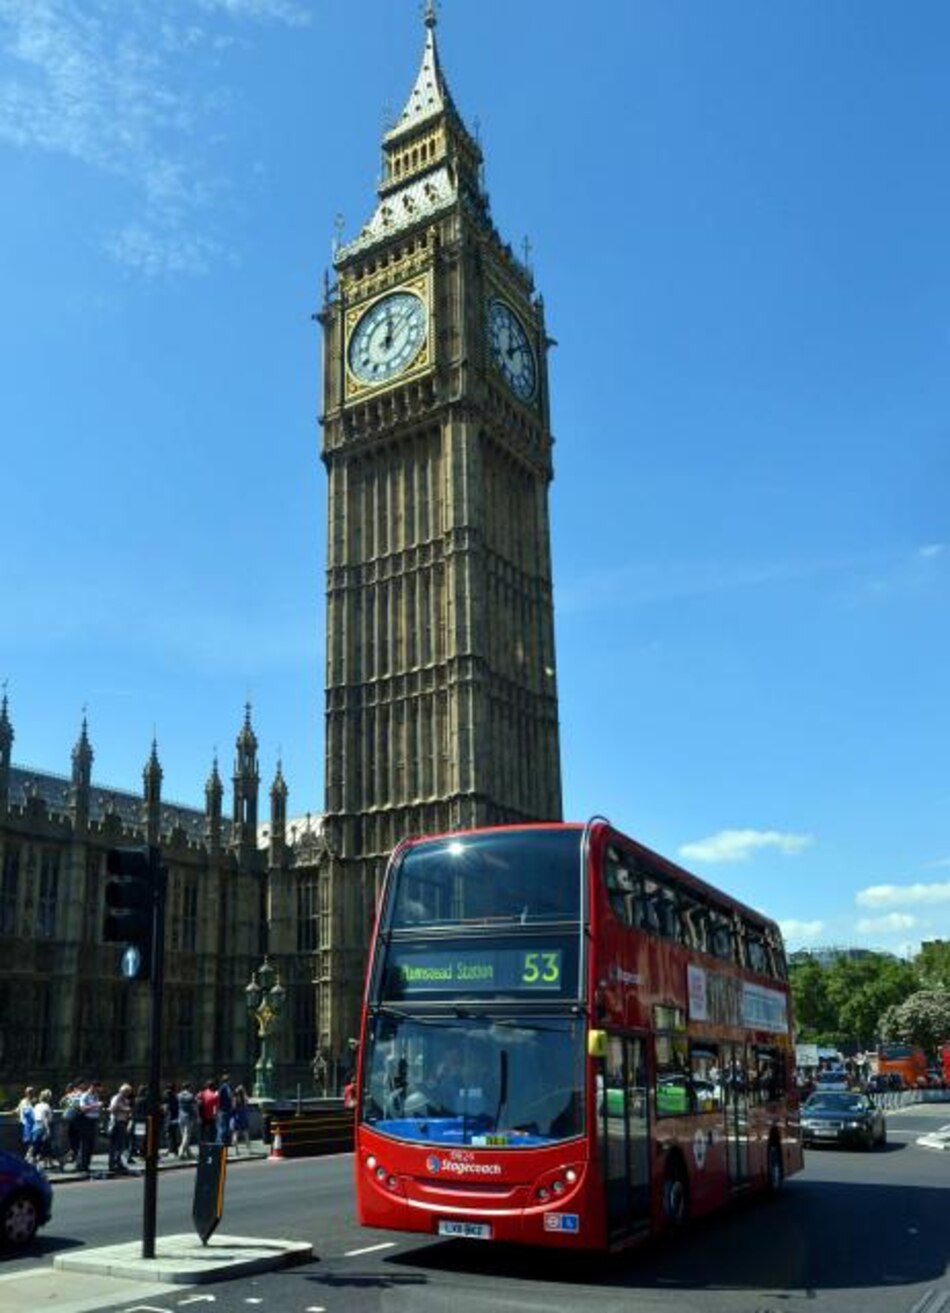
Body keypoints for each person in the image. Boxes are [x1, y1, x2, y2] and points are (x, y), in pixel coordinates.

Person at [77, 1080, 103, 1172]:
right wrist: (95, 1105)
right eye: (97, 1088)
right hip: (86, 1121)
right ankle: (82, 1165)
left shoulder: (95, 1096)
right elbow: (82, 1108)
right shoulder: (85, 1095)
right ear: (92, 1086)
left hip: (94, 1121)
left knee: (91, 1144)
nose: (98, 1090)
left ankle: (87, 1165)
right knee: (85, 1144)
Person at [107, 1084, 133, 1173]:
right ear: (123, 1091)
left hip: (123, 1122)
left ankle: (118, 1162)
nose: (128, 1094)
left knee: (121, 1145)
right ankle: (112, 1164)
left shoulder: (124, 1099)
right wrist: (125, 1109)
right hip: (117, 1123)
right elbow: (112, 1109)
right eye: (127, 1092)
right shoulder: (117, 1098)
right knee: (115, 1145)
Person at [31, 1089, 57, 1170]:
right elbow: (44, 1118)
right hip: (43, 1127)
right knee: (41, 1146)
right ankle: (33, 1163)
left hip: (36, 1126)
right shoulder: (46, 1106)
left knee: (40, 1146)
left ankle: (47, 1164)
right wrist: (47, 1129)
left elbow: (34, 1117)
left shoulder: (36, 1106)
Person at [177, 1082, 198, 1158]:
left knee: (184, 1135)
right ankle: (181, 1151)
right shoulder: (191, 1096)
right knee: (187, 1135)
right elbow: (194, 1107)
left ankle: (189, 1153)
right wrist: (197, 1116)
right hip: (189, 1117)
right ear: (189, 1088)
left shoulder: (178, 1095)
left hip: (180, 1117)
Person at [230, 1085, 250, 1155]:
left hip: (236, 1117)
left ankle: (236, 1151)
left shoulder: (235, 1098)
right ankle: (248, 1149)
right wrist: (244, 1092)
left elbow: (233, 1108)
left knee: (235, 1133)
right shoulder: (244, 1098)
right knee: (245, 1133)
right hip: (243, 1116)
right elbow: (247, 1101)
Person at [16, 1086, 35, 1160]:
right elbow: (18, 1109)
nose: (29, 1093)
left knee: (32, 1142)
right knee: (28, 1141)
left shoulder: (34, 1101)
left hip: (32, 1124)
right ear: (26, 1093)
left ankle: (28, 1157)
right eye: (28, 1092)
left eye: (31, 1092)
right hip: (25, 1124)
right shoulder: (23, 1101)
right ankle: (28, 1157)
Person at [216, 1074, 233, 1148]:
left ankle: (223, 1142)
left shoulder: (221, 1088)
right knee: (223, 1127)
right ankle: (221, 1143)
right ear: (228, 1081)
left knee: (223, 1126)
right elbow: (230, 1097)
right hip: (224, 1109)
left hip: (222, 1109)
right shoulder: (225, 1087)